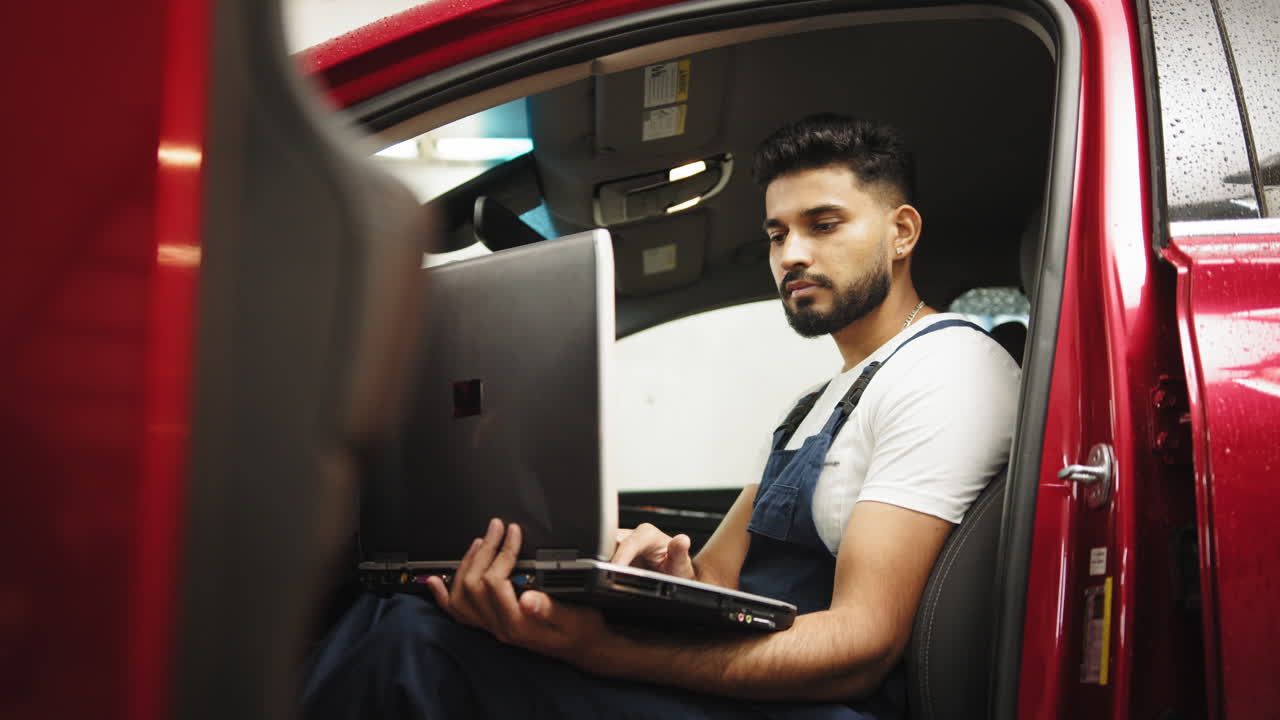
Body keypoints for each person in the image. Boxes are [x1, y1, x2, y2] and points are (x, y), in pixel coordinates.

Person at [300, 114, 1020, 719]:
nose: (792, 254)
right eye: (776, 233)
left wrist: (603, 649)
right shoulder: (819, 401)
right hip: (759, 682)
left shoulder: (945, 370)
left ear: (901, 231)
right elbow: (719, 575)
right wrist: (666, 569)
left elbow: (862, 647)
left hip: (816, 706)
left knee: (418, 643)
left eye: (823, 224)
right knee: (407, 607)